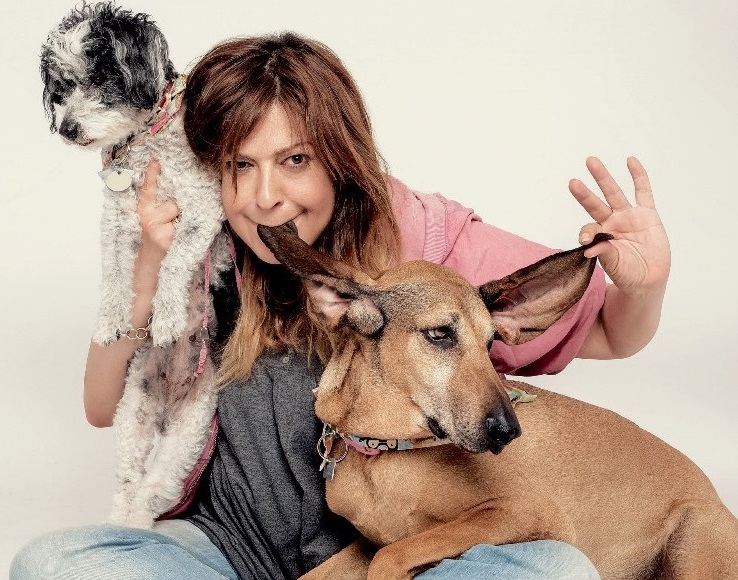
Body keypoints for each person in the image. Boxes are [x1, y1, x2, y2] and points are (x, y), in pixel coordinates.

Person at [11, 32, 670, 580]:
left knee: (554, 570)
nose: (265, 196)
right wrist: (146, 272)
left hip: (379, 555)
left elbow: (610, 335)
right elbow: (101, 406)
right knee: (50, 562)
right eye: (241, 165)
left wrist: (642, 287)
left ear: (337, 159)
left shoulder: (425, 250)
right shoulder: (200, 253)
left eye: (294, 160)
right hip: (228, 550)